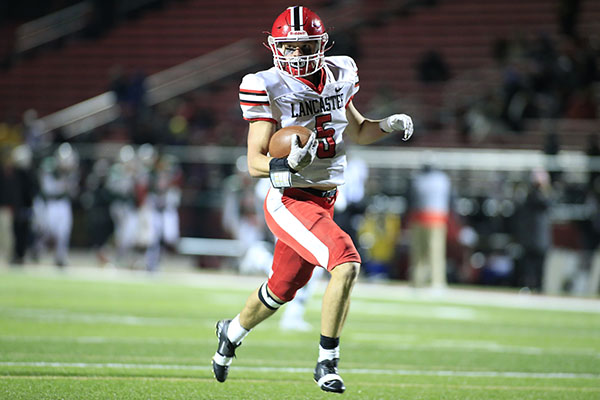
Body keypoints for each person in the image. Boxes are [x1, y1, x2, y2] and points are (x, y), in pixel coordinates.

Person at [211, 6, 413, 394]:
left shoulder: (341, 73)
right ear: (275, 47)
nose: (299, 54)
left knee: (281, 288)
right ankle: (327, 362)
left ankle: (231, 332)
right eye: (291, 46)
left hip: (326, 198)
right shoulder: (264, 84)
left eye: (306, 46)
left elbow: (358, 131)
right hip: (289, 198)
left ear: (323, 45)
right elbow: (255, 161)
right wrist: (287, 164)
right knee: (346, 261)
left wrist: (387, 124)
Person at [407, 159, 451, 289]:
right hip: (436, 219)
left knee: (420, 252)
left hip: (422, 218)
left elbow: (411, 199)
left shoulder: (417, 179)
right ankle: (435, 282)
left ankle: (419, 281)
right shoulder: (443, 179)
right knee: (435, 252)